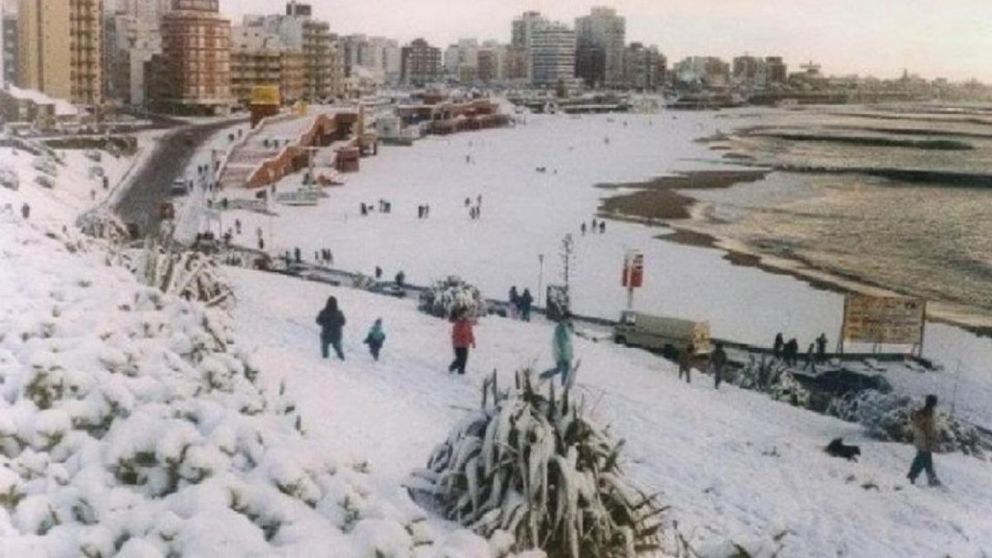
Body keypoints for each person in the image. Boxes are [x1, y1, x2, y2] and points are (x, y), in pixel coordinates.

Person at [907, 395, 941, 486]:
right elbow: (921, 426)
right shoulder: (923, 413)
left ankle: (931, 478)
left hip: (925, 439)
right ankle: (912, 476)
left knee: (926, 459)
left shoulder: (928, 413)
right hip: (923, 439)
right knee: (921, 458)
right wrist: (928, 437)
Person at [541, 314, 574, 386]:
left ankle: (563, 383)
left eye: (571, 319)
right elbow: (561, 342)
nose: (570, 320)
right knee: (561, 369)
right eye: (569, 319)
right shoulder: (560, 328)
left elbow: (570, 336)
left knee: (563, 369)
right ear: (565, 319)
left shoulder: (566, 327)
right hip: (561, 353)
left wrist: (570, 352)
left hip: (566, 353)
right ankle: (543, 376)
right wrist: (563, 353)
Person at [316, 296, 346, 361]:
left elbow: (318, 321)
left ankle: (325, 364)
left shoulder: (323, 312)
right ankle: (343, 360)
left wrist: (324, 322)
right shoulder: (339, 313)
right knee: (338, 350)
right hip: (336, 335)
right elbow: (343, 322)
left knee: (325, 352)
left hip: (326, 334)